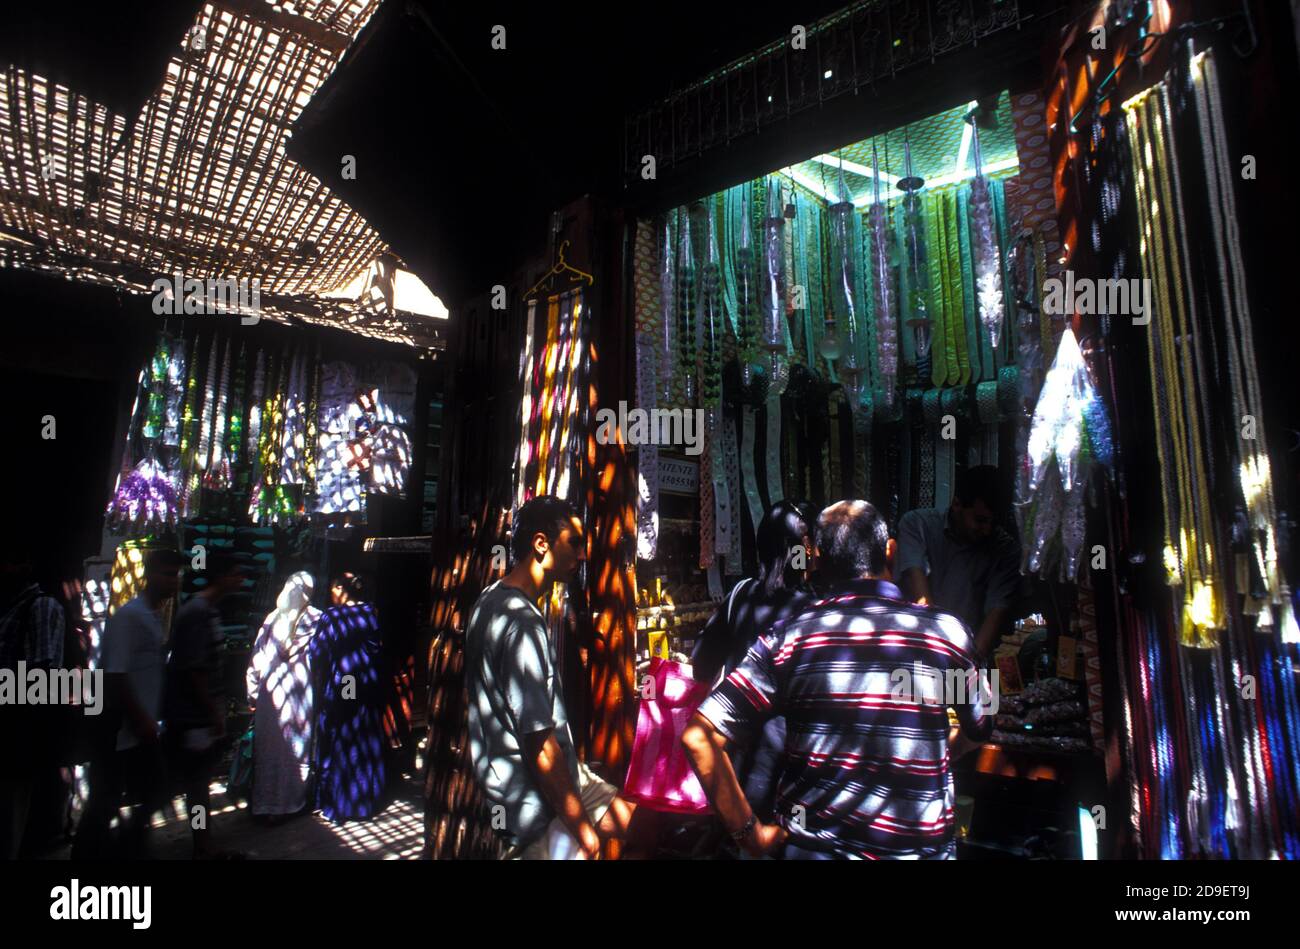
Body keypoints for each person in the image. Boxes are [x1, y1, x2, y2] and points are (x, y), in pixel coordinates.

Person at [683, 500, 991, 859]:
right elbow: (983, 721)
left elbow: (698, 737)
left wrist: (750, 836)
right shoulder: (945, 634)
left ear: (815, 560)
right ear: (890, 550)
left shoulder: (790, 639)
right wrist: (936, 751)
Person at [465, 495, 641, 859]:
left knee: (636, 823)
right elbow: (540, 746)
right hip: (532, 805)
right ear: (541, 544)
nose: (581, 556)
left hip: (542, 785)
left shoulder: (490, 600)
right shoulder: (522, 623)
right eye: (574, 543)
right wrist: (582, 830)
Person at [690, 500, 815, 825]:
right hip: (791, 774)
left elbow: (700, 666)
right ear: (804, 550)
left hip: (736, 766)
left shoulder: (740, 594)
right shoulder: (816, 612)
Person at [72, 548, 182, 860]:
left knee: (151, 791)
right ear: (150, 574)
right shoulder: (129, 616)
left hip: (139, 728)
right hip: (120, 728)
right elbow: (116, 674)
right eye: (167, 574)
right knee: (106, 801)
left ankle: (125, 846)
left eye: (176, 575)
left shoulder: (151, 617)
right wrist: (140, 718)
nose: (173, 582)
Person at [163, 549, 244, 859]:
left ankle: (203, 843)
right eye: (236, 573)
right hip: (192, 715)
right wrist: (213, 712)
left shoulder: (208, 610)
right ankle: (202, 845)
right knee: (193, 783)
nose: (241, 579)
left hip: (196, 713)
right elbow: (195, 670)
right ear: (222, 576)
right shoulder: (198, 612)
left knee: (194, 783)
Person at [896, 465, 1022, 661]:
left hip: (967, 655)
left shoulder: (1005, 549)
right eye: (980, 520)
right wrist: (936, 654)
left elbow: (997, 610)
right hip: (916, 649)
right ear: (956, 505)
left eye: (994, 522)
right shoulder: (917, 525)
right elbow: (921, 596)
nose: (987, 530)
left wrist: (969, 665)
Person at [1, 550, 67, 859]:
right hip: (13, 717)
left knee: (11, 809)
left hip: (17, 725)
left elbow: (43, 673)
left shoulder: (41, 606)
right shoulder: (12, 607)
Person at [309, 572, 387, 822]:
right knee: (364, 733)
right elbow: (377, 647)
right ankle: (365, 800)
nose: (331, 594)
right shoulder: (370, 613)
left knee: (345, 732)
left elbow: (317, 651)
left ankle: (344, 803)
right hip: (367, 681)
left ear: (340, 589)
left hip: (346, 682)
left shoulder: (333, 616)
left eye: (332, 588)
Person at [245, 571, 321, 821]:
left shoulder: (271, 619)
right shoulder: (317, 619)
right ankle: (291, 803)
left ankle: (265, 804)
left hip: (272, 695)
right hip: (299, 695)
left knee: (269, 749)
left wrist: (253, 693)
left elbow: (256, 660)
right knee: (295, 747)